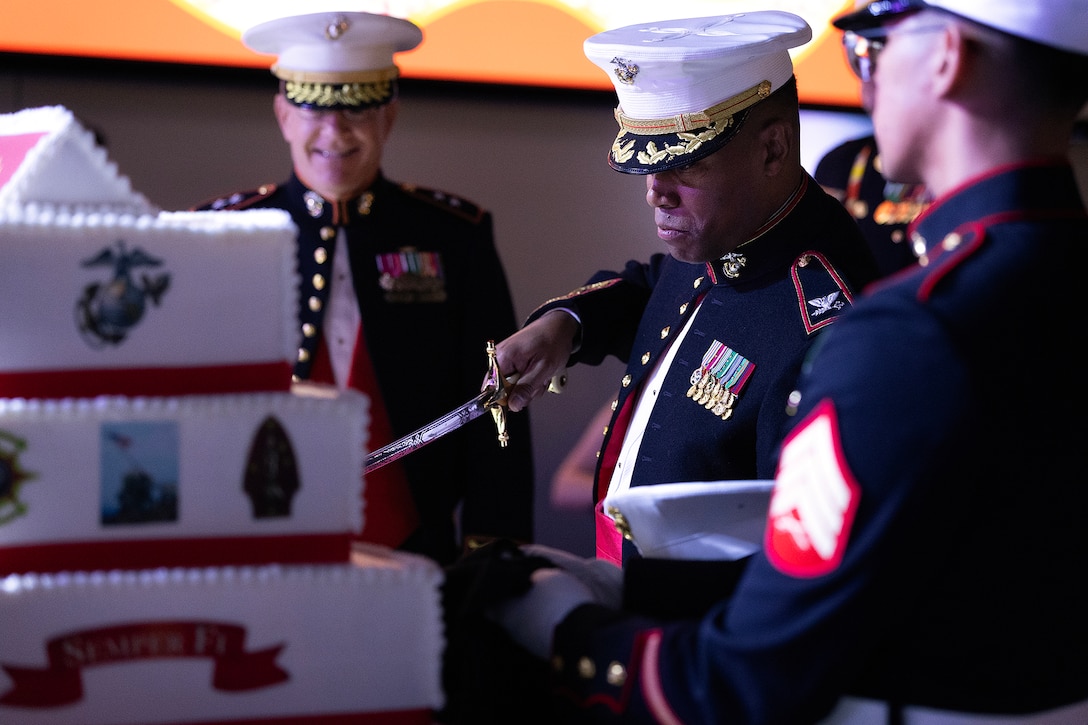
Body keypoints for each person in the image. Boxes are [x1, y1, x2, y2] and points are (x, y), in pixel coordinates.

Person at [469, 1, 1088, 722]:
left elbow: (755, 678)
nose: (867, 79)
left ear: (946, 55)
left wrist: (563, 625)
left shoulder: (901, 337)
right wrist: (625, 588)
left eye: (876, 47)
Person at [493, 11, 878, 568]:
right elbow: (657, 286)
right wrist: (565, 326)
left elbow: (795, 559)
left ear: (772, 149)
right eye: (646, 162)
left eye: (686, 161)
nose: (655, 192)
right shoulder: (730, 230)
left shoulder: (823, 317)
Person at [193, 10, 534, 566]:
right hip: (251, 542)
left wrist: (493, 554)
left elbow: (497, 398)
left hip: (418, 551)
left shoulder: (453, 234)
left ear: (389, 116)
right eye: (311, 106)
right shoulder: (214, 234)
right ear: (282, 114)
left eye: (357, 106)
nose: (335, 132)